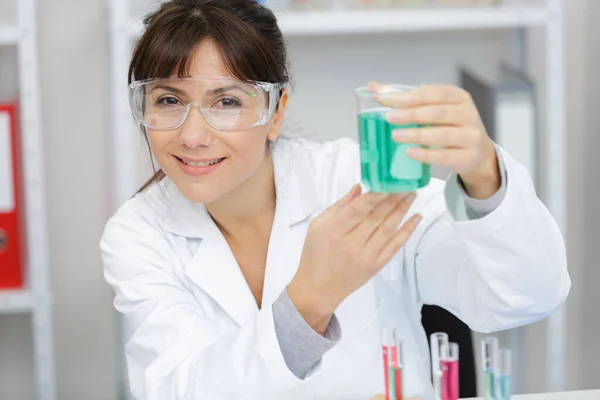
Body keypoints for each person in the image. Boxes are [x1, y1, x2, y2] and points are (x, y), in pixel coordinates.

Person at [100, 1, 571, 399]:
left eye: (227, 102)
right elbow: (180, 388)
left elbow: (525, 297)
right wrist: (310, 299)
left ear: (276, 111)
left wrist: (484, 175)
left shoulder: (358, 181)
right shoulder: (139, 235)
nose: (193, 134)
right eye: (167, 100)